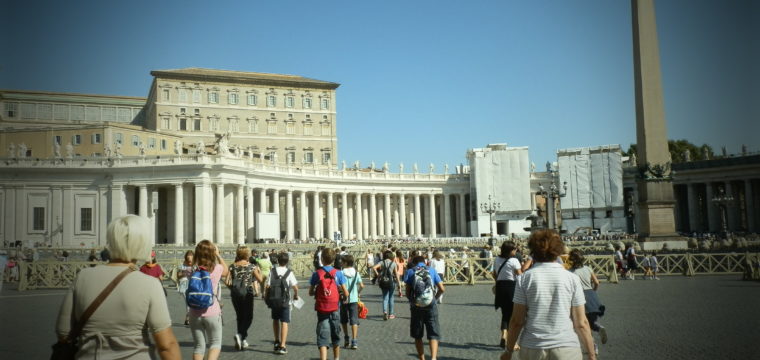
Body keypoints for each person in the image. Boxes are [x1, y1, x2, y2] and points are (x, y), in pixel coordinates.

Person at [54, 215, 180, 359]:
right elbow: (166, 345)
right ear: (143, 244)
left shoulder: (82, 277)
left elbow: (63, 333)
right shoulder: (150, 284)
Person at [501, 230, 596, 360]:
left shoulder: (524, 279)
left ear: (533, 251)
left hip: (533, 346)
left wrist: (509, 351)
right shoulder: (572, 278)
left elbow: (517, 321)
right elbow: (581, 323)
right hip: (566, 346)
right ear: (558, 251)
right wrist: (591, 355)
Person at [189, 240, 229, 360]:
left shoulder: (193, 269)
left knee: (198, 347)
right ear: (212, 253)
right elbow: (226, 271)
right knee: (215, 344)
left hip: (194, 312)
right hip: (212, 311)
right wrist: (218, 254)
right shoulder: (217, 268)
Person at [309, 248, 349, 360]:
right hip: (335, 308)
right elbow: (346, 293)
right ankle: (336, 358)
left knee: (322, 337)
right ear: (334, 259)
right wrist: (340, 292)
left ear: (321, 259)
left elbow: (310, 292)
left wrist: (316, 290)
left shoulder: (317, 274)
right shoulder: (339, 273)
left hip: (322, 309)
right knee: (335, 335)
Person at [404, 255, 445, 360]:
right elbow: (442, 289)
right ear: (425, 262)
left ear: (414, 263)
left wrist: (412, 301)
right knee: (433, 334)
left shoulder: (410, 271)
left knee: (418, 335)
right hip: (431, 306)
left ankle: (422, 358)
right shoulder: (431, 270)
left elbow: (407, 292)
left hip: (416, 307)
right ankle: (433, 358)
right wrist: (434, 300)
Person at [569, 249, 608, 352]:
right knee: (591, 321)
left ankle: (593, 346)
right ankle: (599, 328)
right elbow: (596, 282)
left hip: (580, 297)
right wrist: (593, 291)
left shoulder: (570, 272)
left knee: (583, 324)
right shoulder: (588, 268)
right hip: (592, 295)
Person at [228, 246, 263, 351]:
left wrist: (233, 289)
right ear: (247, 254)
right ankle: (240, 335)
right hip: (247, 293)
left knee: (240, 316)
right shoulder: (252, 266)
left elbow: (227, 281)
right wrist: (259, 271)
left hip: (235, 294)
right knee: (248, 317)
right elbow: (260, 279)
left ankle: (242, 340)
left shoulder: (232, 266)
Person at [266, 252, 299, 354]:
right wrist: (295, 295)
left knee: (275, 320)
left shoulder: (272, 271)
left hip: (274, 300)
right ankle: (283, 345)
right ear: (287, 261)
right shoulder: (289, 272)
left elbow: (267, 286)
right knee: (284, 322)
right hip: (285, 302)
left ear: (277, 261)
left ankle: (276, 341)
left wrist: (267, 297)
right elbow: (295, 287)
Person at [492, 241, 522, 349]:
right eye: (514, 249)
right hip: (511, 288)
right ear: (510, 250)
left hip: (500, 288)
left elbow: (494, 274)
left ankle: (504, 335)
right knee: (513, 316)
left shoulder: (497, 259)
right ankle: (512, 342)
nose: (516, 250)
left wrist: (499, 282)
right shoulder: (514, 260)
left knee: (505, 314)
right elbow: (520, 276)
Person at [340, 255, 364, 349]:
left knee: (344, 319)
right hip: (353, 299)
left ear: (345, 263)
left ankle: (346, 337)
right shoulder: (356, 273)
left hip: (343, 299)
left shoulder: (341, 273)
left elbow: (338, 285)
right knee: (354, 320)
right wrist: (357, 293)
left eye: (342, 262)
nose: (341, 263)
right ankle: (354, 341)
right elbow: (362, 285)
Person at [372, 250, 403, 320]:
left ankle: (385, 312)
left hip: (383, 282)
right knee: (391, 297)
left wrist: (378, 275)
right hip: (391, 282)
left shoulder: (382, 262)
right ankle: (391, 314)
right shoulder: (393, 263)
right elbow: (397, 275)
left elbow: (374, 268)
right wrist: (399, 285)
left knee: (385, 298)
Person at [178, 250, 194, 326]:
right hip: (184, 285)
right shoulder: (182, 264)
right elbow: (178, 276)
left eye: (191, 257)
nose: (190, 260)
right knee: (188, 303)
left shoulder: (195, 264)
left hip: (193, 285)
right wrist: (184, 273)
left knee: (191, 303)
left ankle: (188, 318)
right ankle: (188, 319)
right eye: (188, 258)